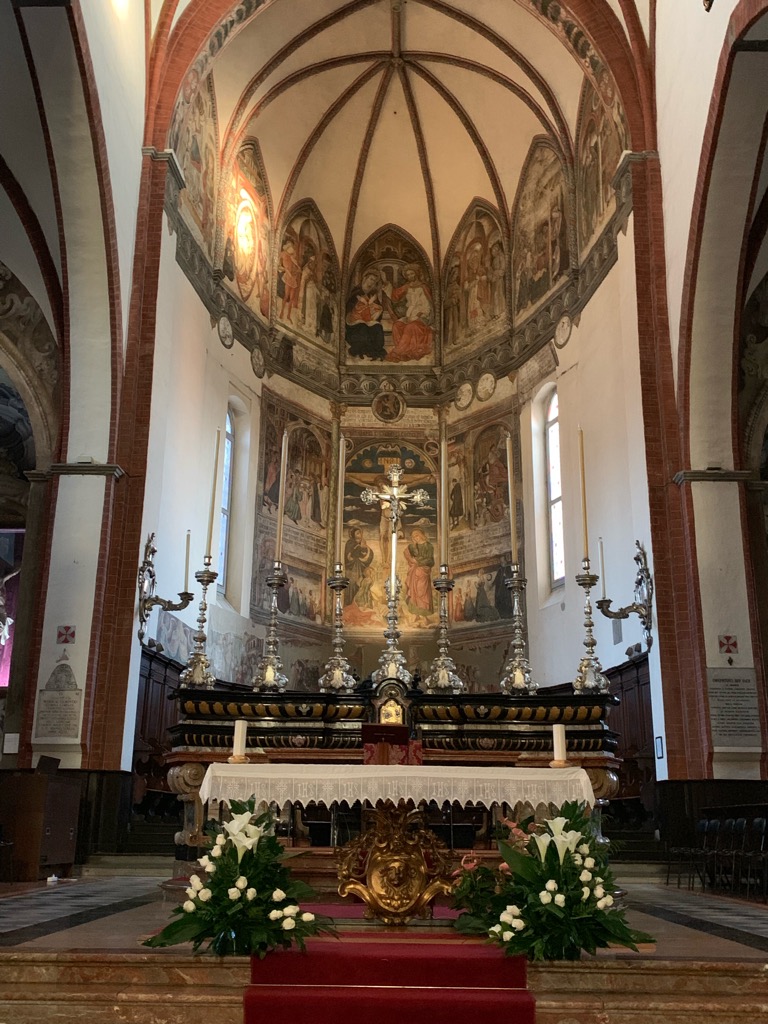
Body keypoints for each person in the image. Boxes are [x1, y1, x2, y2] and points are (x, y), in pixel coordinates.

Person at [386, 265, 433, 362]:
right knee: (397, 325)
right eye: (408, 275)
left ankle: (399, 352)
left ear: (416, 274)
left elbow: (427, 306)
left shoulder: (423, 287)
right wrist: (387, 285)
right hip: (410, 315)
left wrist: (417, 316)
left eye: (412, 274)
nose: (410, 276)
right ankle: (403, 351)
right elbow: (395, 295)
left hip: (423, 316)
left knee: (410, 327)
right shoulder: (407, 286)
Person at [345, 270, 387, 360]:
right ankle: (358, 349)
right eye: (371, 279)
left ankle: (375, 351)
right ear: (365, 278)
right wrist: (359, 302)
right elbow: (349, 306)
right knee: (362, 328)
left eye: (374, 281)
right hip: (355, 319)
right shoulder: (356, 291)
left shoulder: (372, 293)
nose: (372, 282)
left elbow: (378, 308)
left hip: (368, 319)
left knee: (378, 328)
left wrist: (374, 307)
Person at [404, 528, 434, 619]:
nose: (415, 538)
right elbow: (408, 554)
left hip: (424, 572)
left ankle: (425, 616)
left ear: (421, 535)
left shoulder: (428, 546)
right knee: (414, 593)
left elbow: (430, 560)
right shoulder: (413, 546)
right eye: (413, 537)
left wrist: (418, 562)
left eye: (416, 535)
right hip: (414, 572)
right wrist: (414, 545)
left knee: (423, 593)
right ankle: (416, 615)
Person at [344, 526, 374, 604]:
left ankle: (358, 603)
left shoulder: (362, 543)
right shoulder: (350, 543)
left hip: (359, 569)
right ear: (353, 534)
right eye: (357, 533)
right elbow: (349, 557)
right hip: (352, 570)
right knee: (352, 585)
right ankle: (350, 602)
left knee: (360, 585)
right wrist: (358, 548)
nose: (360, 534)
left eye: (360, 533)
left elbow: (367, 554)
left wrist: (364, 548)